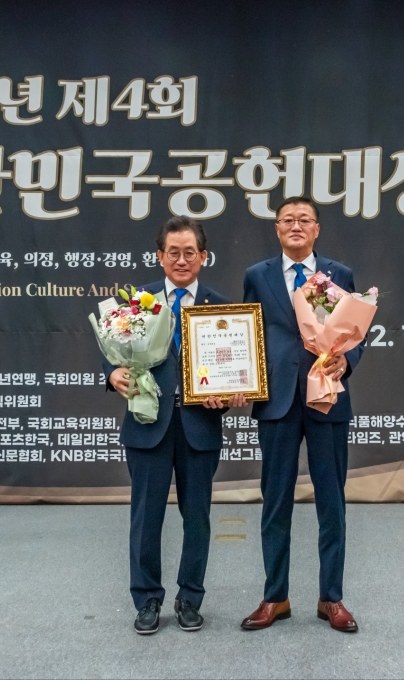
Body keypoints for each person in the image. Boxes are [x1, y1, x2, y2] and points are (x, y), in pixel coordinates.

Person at [104, 215, 246, 635]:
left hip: (200, 425)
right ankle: (147, 599)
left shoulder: (223, 308)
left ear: (203, 256)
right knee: (145, 518)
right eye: (173, 252)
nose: (181, 260)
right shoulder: (138, 302)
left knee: (197, 517)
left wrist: (236, 391)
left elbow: (235, 367)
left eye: (190, 252)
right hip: (148, 425)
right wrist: (112, 373)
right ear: (160, 256)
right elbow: (111, 351)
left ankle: (190, 597)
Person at [240, 196, 366, 633]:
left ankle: (332, 598)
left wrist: (347, 361)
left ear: (317, 229)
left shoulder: (338, 273)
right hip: (276, 400)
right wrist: (239, 379)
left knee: (332, 502)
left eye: (304, 219)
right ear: (277, 229)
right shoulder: (257, 276)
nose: (296, 225)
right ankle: (275, 597)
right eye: (288, 219)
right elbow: (248, 334)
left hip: (327, 396)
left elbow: (356, 332)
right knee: (275, 502)